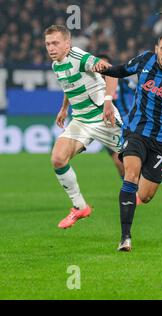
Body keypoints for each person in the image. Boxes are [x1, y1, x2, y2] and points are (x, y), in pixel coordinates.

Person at [94, 32, 162, 252]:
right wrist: (100, 68)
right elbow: (121, 70)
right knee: (130, 176)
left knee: (144, 195)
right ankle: (125, 237)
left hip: (161, 143)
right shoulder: (144, 60)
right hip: (135, 132)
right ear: (157, 48)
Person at [44, 24, 122, 228]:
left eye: (55, 43)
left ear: (67, 44)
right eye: (48, 44)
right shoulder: (56, 65)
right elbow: (69, 86)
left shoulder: (79, 57)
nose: (51, 48)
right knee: (58, 159)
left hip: (102, 117)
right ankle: (80, 207)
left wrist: (107, 101)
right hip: (80, 120)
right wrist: (63, 109)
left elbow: (111, 72)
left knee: (136, 161)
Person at [96, 54, 162, 205]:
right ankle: (157, 181)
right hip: (108, 128)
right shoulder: (93, 84)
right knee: (120, 164)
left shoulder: (123, 81)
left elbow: (142, 90)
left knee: (135, 159)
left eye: (106, 65)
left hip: (129, 126)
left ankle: (156, 184)